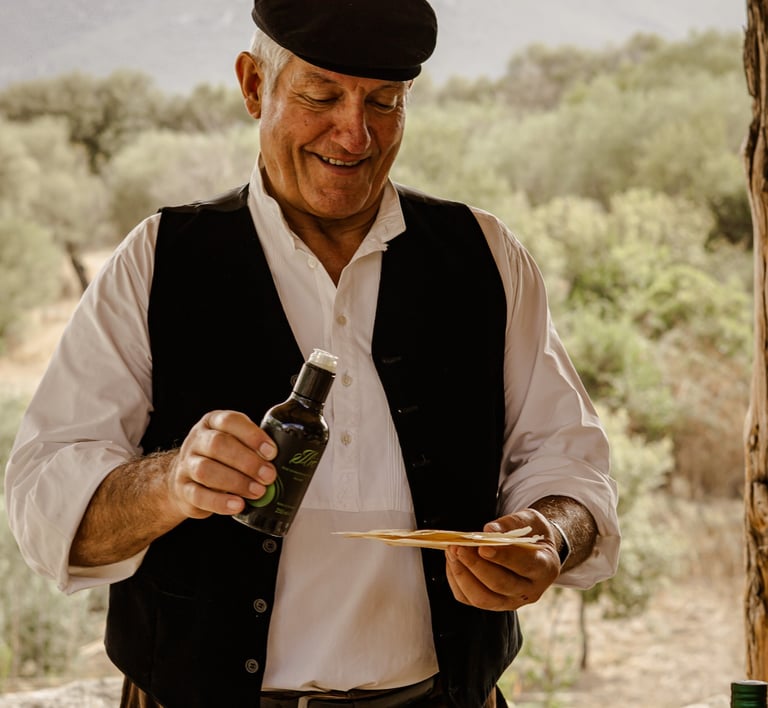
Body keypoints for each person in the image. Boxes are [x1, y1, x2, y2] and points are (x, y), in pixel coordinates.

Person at [5, 1, 620, 706]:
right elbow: (40, 502)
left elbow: (573, 466)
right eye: (320, 95)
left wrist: (548, 534)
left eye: (384, 102)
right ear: (252, 86)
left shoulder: (486, 256)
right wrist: (171, 482)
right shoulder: (158, 260)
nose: (355, 132)